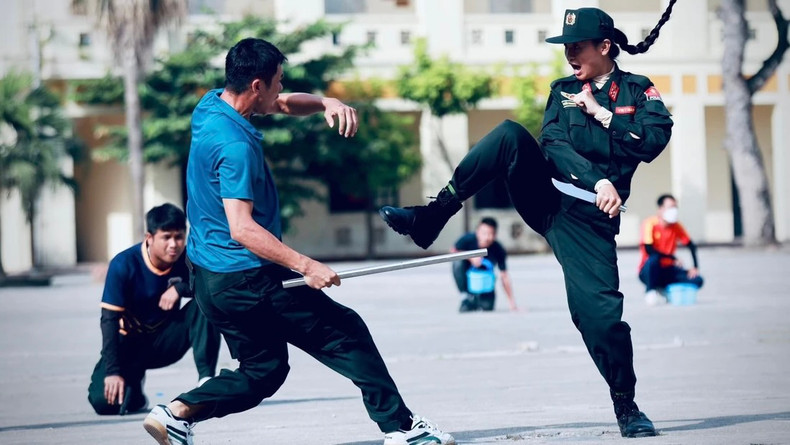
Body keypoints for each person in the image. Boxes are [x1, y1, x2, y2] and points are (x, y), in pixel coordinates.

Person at [379, 3, 676, 438]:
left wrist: (604, 115)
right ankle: (433, 215)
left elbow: (651, 142)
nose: (570, 55)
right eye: (566, 47)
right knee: (508, 135)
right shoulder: (562, 90)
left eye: (577, 47)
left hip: (590, 224)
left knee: (600, 318)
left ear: (605, 46)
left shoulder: (638, 90)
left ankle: (625, 403)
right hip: (548, 195)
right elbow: (553, 143)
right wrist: (597, 180)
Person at [142, 38, 454, 445]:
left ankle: (176, 414)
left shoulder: (210, 106)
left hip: (207, 279)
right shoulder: (235, 146)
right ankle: (402, 430)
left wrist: (326, 103)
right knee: (346, 332)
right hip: (246, 279)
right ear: (257, 85)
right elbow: (243, 228)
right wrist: (306, 266)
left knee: (264, 369)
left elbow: (284, 104)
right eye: (276, 82)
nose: (280, 89)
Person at [88, 203, 221, 416]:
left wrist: (180, 288)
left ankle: (206, 380)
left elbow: (210, 284)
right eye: (166, 237)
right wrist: (112, 372)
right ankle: (134, 392)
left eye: (179, 237)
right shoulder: (124, 264)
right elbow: (109, 320)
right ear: (149, 238)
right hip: (129, 345)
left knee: (207, 302)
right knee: (103, 403)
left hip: (166, 340)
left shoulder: (187, 259)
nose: (174, 245)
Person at [639, 194, 704, 305]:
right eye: (670, 207)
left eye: (675, 207)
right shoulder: (650, 223)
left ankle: (665, 289)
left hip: (668, 269)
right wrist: (673, 257)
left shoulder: (676, 226)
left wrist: (695, 267)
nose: (674, 210)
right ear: (660, 209)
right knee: (654, 259)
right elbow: (649, 250)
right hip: (649, 269)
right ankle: (650, 290)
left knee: (697, 280)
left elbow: (691, 245)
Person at [452, 217, 516, 312]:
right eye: (484, 233)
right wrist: (470, 257)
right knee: (457, 262)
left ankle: (477, 300)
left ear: (495, 235)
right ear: (477, 232)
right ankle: (466, 297)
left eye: (490, 234)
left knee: (487, 307)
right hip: (468, 279)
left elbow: (504, 275)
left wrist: (512, 303)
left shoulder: (498, 249)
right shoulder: (467, 239)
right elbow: (453, 251)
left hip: (486, 284)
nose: (486, 237)